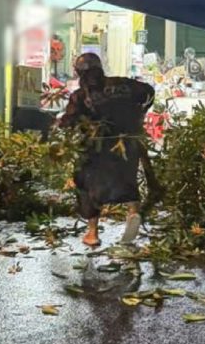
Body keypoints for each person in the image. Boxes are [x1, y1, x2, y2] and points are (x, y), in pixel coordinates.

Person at [60, 53, 156, 247]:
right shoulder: (124, 85)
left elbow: (70, 121)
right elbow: (149, 91)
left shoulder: (81, 96)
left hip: (96, 149)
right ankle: (133, 212)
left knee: (86, 185)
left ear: (80, 73)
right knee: (127, 181)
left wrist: (59, 125)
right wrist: (140, 113)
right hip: (127, 144)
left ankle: (92, 232)